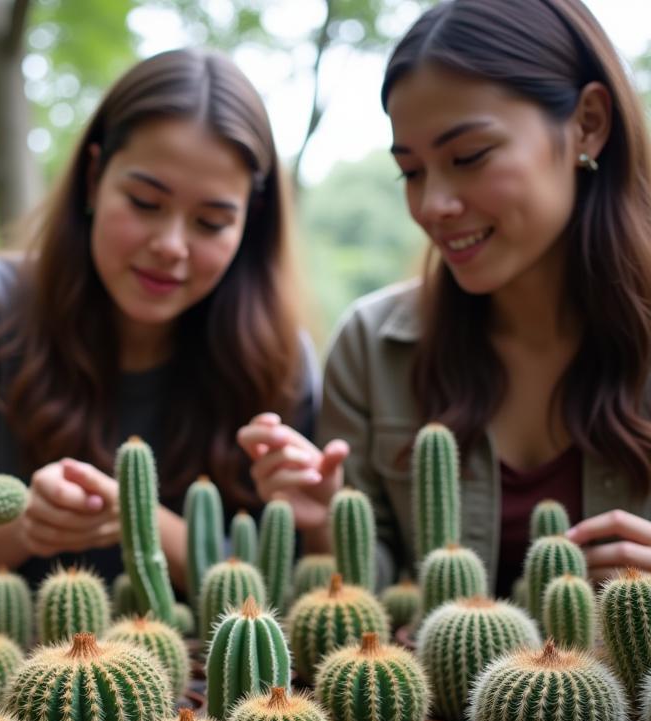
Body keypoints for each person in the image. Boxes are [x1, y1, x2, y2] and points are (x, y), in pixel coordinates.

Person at [0, 48, 318, 607]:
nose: (170, 246)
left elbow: (302, 586)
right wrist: (19, 534)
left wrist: (145, 523)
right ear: (94, 176)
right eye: (145, 202)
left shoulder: (280, 360)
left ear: (250, 223)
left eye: (211, 222)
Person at [240, 0, 651, 597]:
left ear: (588, 122)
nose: (432, 206)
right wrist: (329, 520)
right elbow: (373, 594)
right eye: (411, 171)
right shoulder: (372, 346)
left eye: (469, 158)